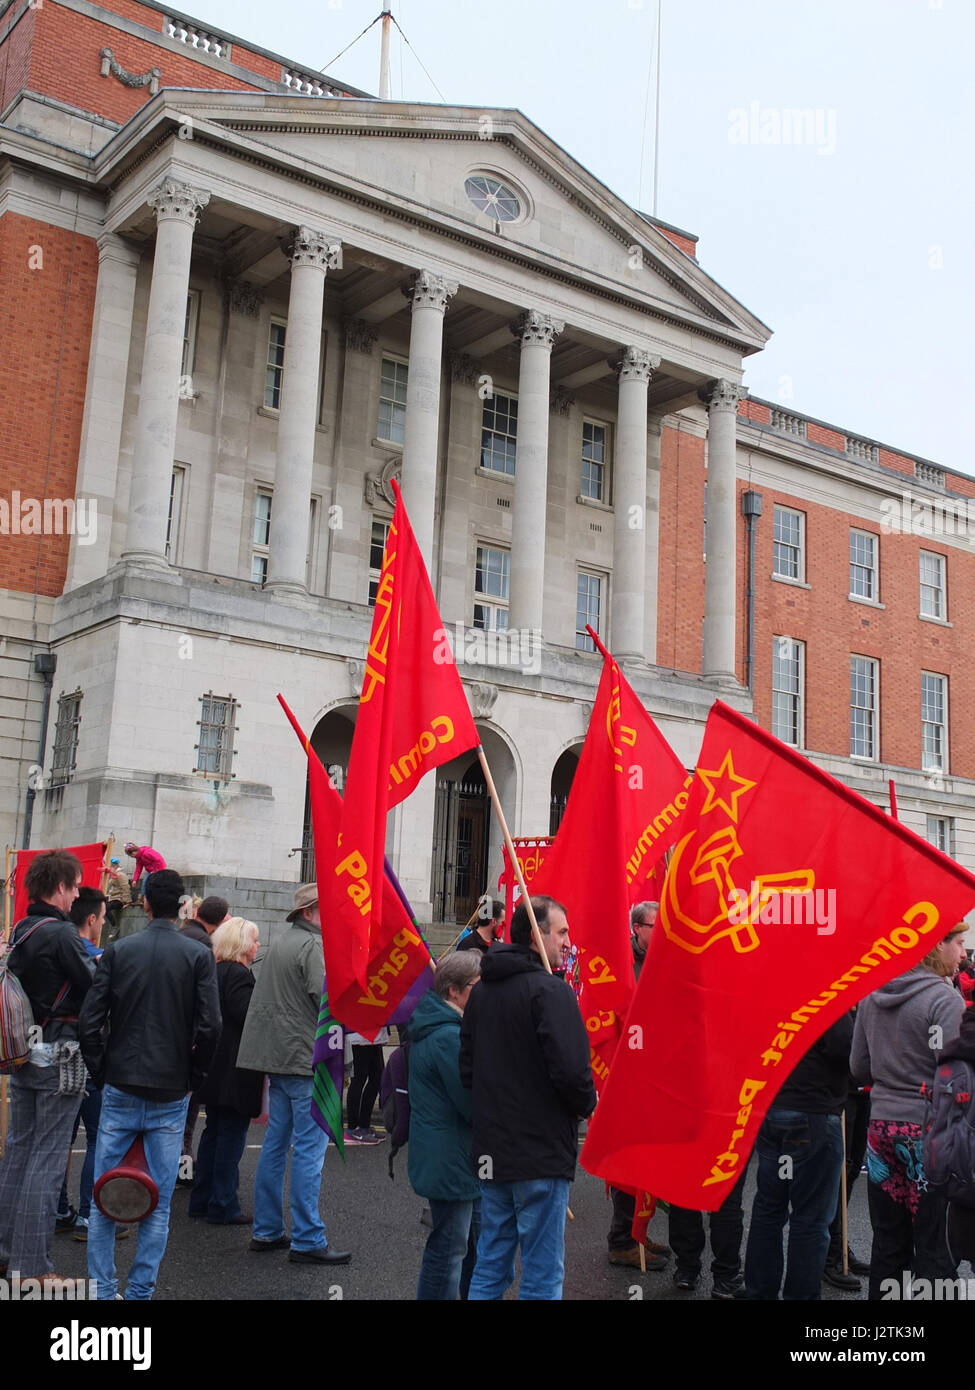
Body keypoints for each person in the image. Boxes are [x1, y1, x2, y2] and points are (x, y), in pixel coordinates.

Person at [79, 868, 221, 1300]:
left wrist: (102, 1071)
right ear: (182, 907)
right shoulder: (197, 955)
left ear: (143, 903)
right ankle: (140, 1292)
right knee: (156, 1204)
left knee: (105, 1195)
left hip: (121, 1082)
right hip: (170, 1087)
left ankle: (104, 1291)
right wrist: (193, 1076)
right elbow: (211, 1026)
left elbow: (90, 1022)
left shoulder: (121, 951)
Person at [460, 894, 596, 1300]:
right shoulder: (551, 992)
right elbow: (573, 1073)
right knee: (541, 1272)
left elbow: (467, 1071)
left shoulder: (482, 992)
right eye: (562, 932)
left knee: (491, 1262)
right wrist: (585, 1107)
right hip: (539, 1153)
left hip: (493, 1152)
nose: (569, 942)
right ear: (537, 937)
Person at [852, 923, 968, 1300]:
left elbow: (859, 1067)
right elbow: (951, 1075)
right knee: (934, 1244)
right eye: (959, 943)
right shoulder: (943, 1000)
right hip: (928, 1133)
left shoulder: (871, 994)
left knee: (887, 1240)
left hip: (881, 1129)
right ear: (938, 945)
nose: (964, 954)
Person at [237, 883, 349, 1266]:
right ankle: (307, 1237)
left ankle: (267, 1230)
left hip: (279, 1057)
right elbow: (327, 1000)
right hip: (305, 1058)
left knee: (275, 1145)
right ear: (308, 913)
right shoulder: (313, 946)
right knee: (308, 1151)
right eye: (325, 908)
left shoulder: (283, 942)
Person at [0, 850, 90, 1283]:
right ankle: (32, 1269)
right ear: (60, 887)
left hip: (22, 1051)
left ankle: (5, 1251)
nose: (76, 896)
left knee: (18, 1150)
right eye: (74, 887)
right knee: (47, 1160)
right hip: (61, 1055)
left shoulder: (21, 929)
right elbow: (96, 986)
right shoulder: (62, 934)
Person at [743, 1012, 853, 1300]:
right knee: (810, 1219)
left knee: (769, 1209)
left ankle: (760, 1292)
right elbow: (845, 1050)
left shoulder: (773, 989)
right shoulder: (827, 991)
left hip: (773, 1109)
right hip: (813, 1112)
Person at [409, 951, 483, 1300]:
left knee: (466, 1246)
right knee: (449, 1251)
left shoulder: (447, 1029)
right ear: (454, 992)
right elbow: (471, 1104)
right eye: (477, 988)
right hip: (451, 1159)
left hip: (454, 1157)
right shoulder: (448, 1037)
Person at [607, 901, 669, 1271]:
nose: (661, 929)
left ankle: (638, 1233)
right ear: (636, 928)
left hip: (655, 1075)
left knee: (647, 1160)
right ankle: (621, 1241)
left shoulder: (660, 960)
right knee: (628, 1160)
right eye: (654, 924)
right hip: (627, 1078)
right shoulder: (623, 965)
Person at [189, 917, 264, 1225]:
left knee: (212, 1135)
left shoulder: (215, 971)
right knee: (231, 1138)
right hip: (235, 1069)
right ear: (243, 945)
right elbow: (248, 1018)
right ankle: (223, 1203)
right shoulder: (240, 976)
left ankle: (202, 1198)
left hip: (213, 1066)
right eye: (255, 940)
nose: (258, 945)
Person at [178, 893, 231, 1180]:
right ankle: (182, 1168)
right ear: (222, 920)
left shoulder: (182, 934)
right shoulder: (203, 946)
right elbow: (208, 1013)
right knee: (185, 1114)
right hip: (190, 1039)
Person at [344, 1025, 390, 1145]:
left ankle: (364, 1125)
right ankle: (352, 1128)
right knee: (358, 1079)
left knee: (377, 1078)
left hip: (376, 1032)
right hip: (360, 1034)